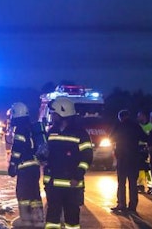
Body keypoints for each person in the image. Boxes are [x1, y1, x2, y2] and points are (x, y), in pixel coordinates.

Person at [43, 97, 93, 229]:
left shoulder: (81, 134)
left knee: (72, 220)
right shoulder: (51, 132)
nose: (52, 116)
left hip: (72, 185)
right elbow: (47, 154)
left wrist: (78, 175)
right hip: (53, 185)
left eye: (54, 113)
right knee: (52, 220)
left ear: (62, 113)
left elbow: (87, 157)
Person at [7, 102, 46, 227]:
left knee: (23, 195)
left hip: (24, 168)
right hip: (34, 167)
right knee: (34, 193)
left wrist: (12, 165)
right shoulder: (31, 127)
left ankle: (26, 221)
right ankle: (38, 220)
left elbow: (17, 149)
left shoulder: (20, 129)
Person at [110, 109, 147, 214]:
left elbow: (111, 138)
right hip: (134, 158)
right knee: (133, 183)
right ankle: (133, 206)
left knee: (121, 182)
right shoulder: (136, 126)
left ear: (120, 117)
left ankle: (121, 204)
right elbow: (145, 138)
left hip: (122, 158)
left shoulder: (119, 126)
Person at [136, 111, 152, 193]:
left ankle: (150, 185)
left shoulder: (151, 126)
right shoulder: (137, 126)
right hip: (139, 148)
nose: (138, 118)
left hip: (148, 148)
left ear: (144, 116)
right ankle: (140, 185)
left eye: (140, 116)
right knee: (140, 168)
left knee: (148, 168)